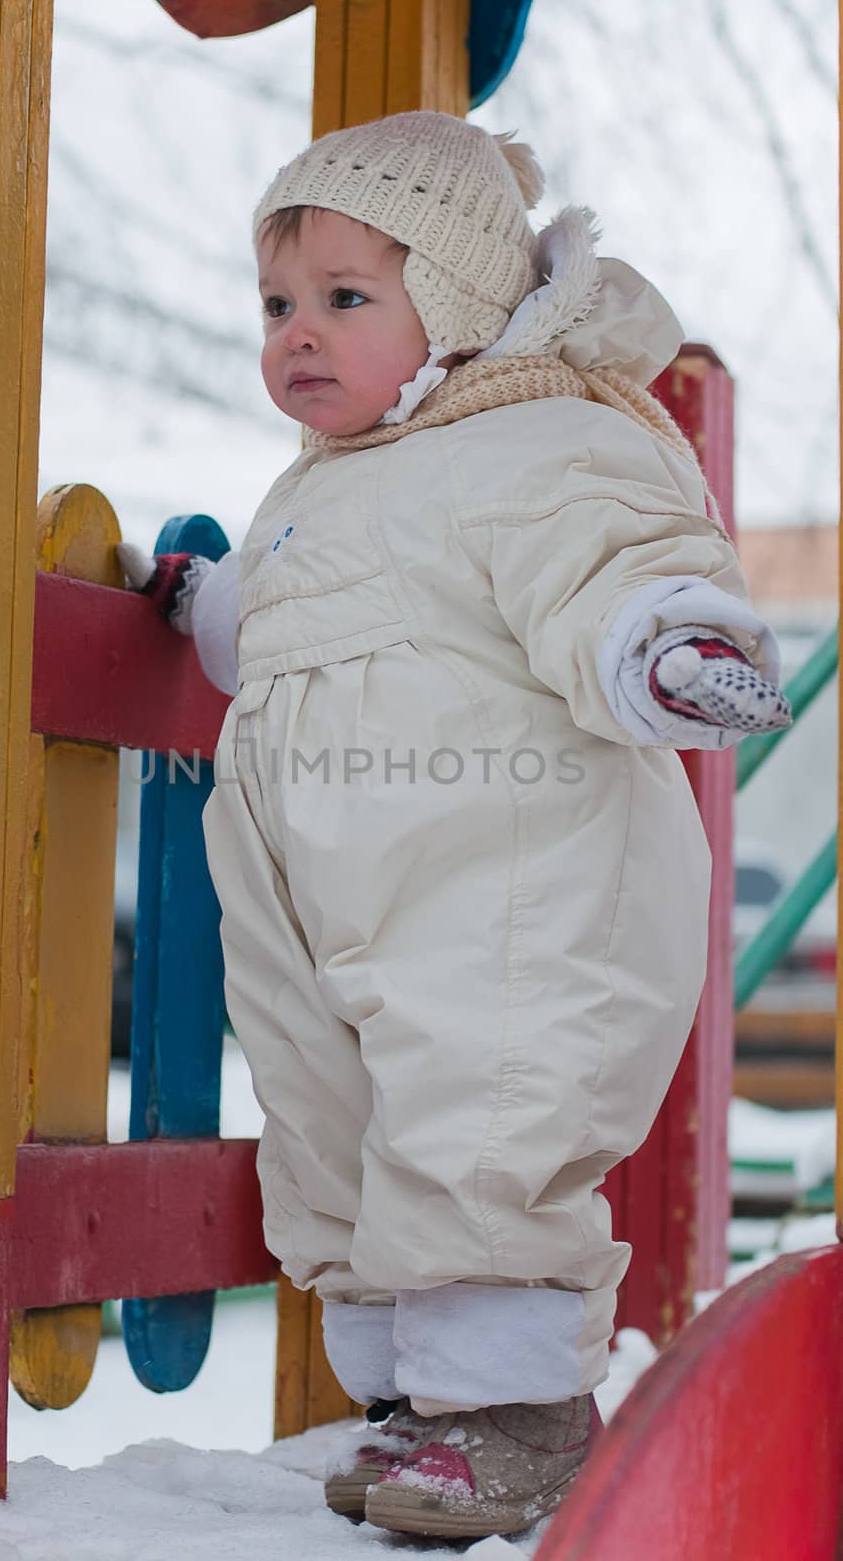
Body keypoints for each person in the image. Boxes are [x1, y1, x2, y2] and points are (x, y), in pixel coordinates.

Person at [118, 110, 790, 1541]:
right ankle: (423, 1403)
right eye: (279, 305)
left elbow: (618, 558)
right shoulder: (317, 491)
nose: (299, 333)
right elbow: (294, 617)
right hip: (335, 908)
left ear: (466, 301)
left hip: (506, 891)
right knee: (340, 1134)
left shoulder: (545, 440)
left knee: (483, 1117)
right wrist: (206, 607)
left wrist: (671, 641)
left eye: (346, 299)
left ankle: (515, 1412)